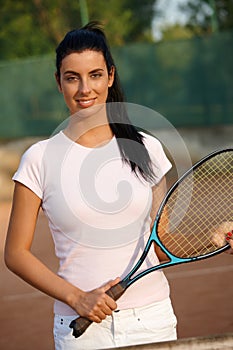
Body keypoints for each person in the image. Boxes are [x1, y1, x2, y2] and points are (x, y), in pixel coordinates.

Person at [4, 21, 233, 350]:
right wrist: (78, 298)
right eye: (73, 77)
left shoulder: (147, 149)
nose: (85, 89)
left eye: (95, 75)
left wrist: (216, 239)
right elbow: (15, 254)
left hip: (151, 320)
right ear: (59, 82)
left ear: (110, 77)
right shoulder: (39, 158)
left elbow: (162, 241)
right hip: (80, 330)